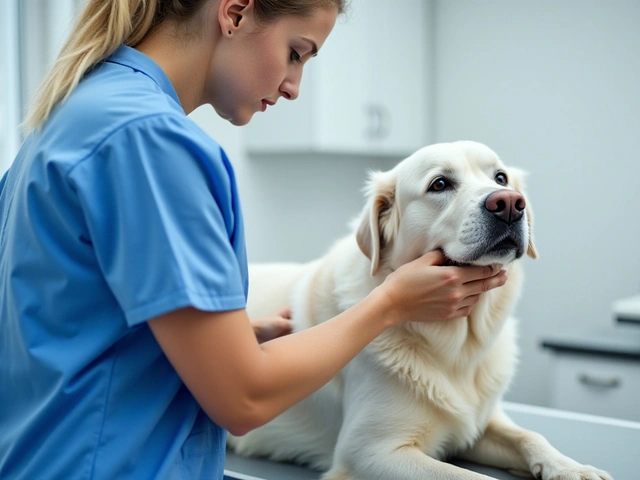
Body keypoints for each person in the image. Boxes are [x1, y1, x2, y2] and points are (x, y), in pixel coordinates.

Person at [0, 0, 508, 478]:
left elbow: (65, 330)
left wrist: (225, 340)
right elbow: (243, 400)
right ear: (236, 12)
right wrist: (390, 303)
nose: (294, 87)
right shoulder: (151, 141)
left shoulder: (71, 118)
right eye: (296, 52)